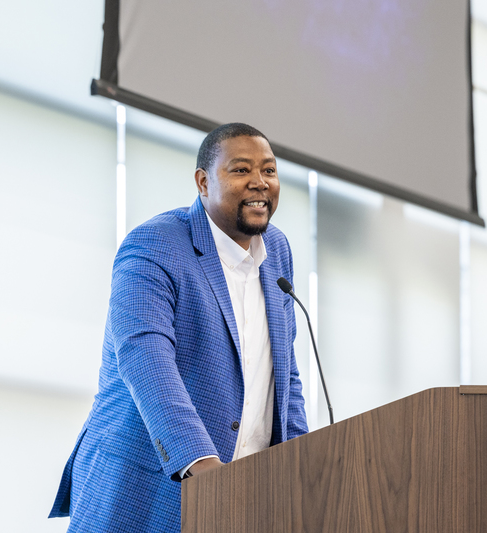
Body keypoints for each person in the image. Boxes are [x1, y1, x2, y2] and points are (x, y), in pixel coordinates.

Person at [49, 122, 309, 532]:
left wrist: (304, 468)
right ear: (203, 183)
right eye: (241, 170)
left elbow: (285, 374)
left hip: (242, 502)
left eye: (269, 171)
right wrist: (202, 468)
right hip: (143, 492)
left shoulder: (277, 251)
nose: (259, 182)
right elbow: (145, 359)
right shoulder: (155, 244)